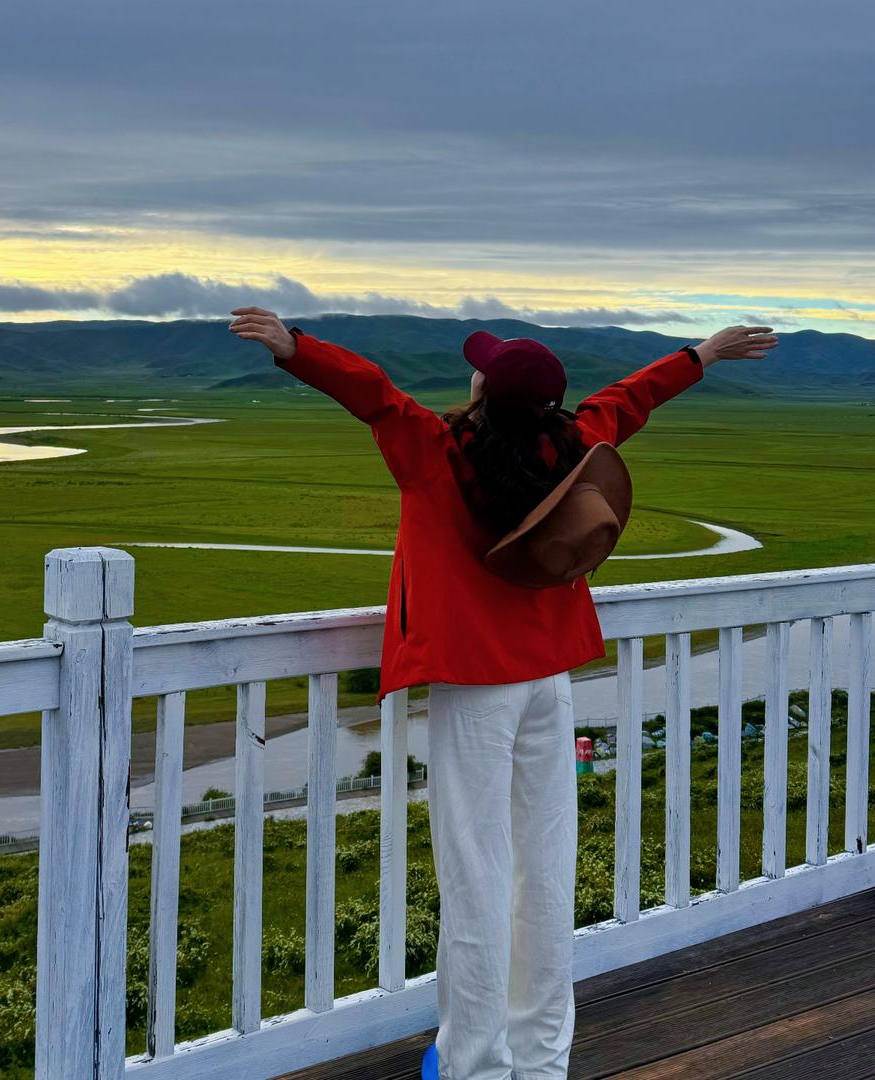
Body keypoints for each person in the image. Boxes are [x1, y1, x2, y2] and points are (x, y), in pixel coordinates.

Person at [228, 308, 777, 1080]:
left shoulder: (435, 451)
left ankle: (476, 1066)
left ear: (482, 388)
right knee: (544, 869)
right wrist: (702, 353)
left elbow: (378, 396)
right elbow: (629, 398)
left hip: (475, 687)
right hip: (548, 680)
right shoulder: (578, 443)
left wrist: (295, 349)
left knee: (475, 875)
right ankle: (541, 1059)